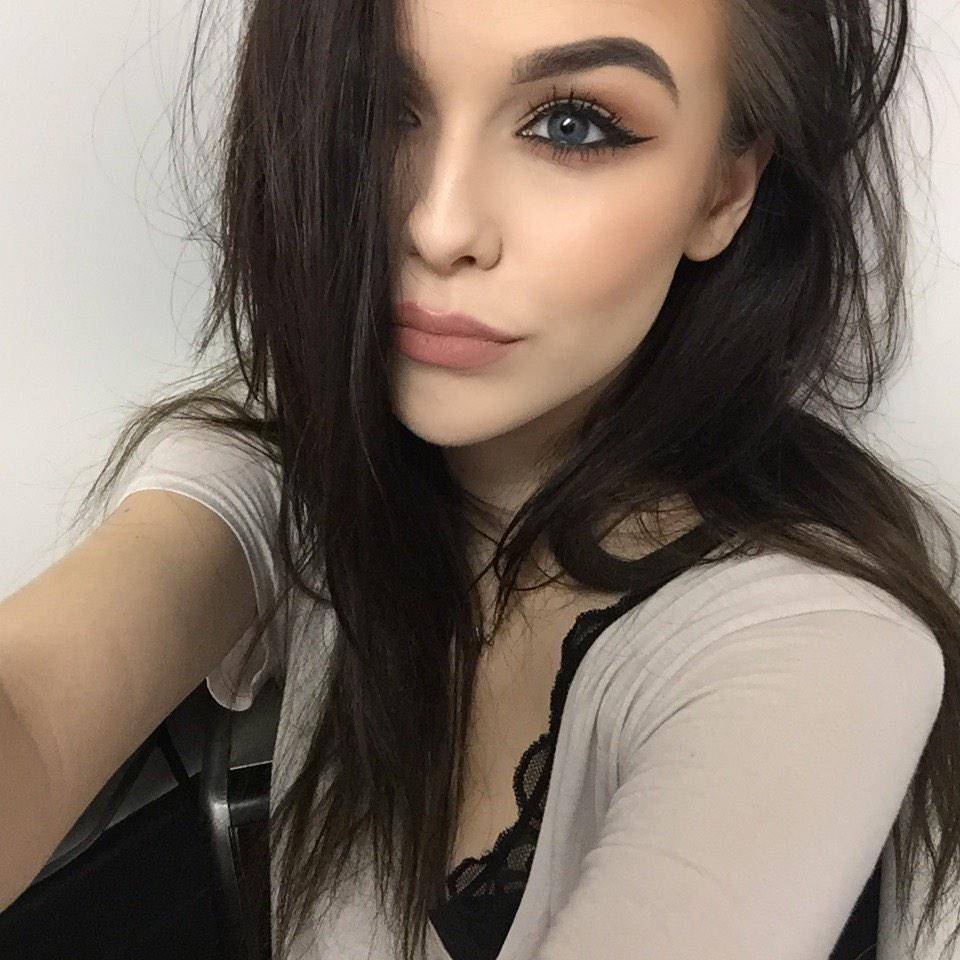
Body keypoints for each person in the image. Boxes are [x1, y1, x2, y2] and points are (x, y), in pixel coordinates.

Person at [1, 0, 959, 958]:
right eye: (379, 106)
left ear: (723, 190)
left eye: (573, 125)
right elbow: (34, 714)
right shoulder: (313, 452)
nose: (437, 225)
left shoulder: (810, 646)